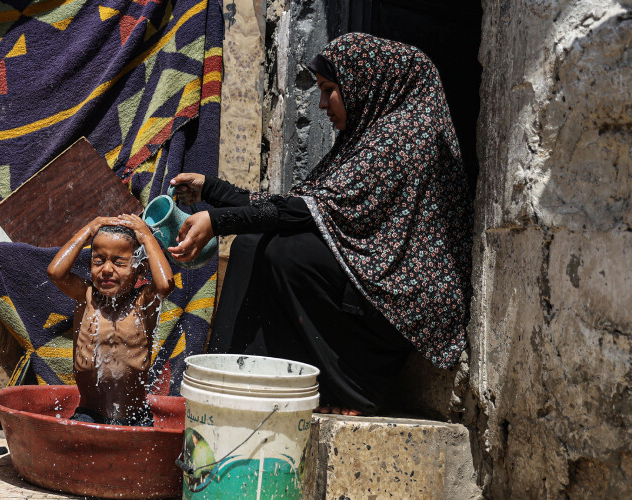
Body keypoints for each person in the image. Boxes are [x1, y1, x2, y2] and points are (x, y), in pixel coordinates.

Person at [167, 33, 473, 416]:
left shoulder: (406, 133)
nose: (323, 103)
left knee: (287, 252)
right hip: (367, 278)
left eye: (331, 90)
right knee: (250, 243)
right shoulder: (365, 135)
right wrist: (211, 190)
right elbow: (296, 205)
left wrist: (217, 220)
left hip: (400, 298)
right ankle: (232, 383)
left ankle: (352, 392)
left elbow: (304, 211)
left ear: (367, 83)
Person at [47, 214, 174, 426]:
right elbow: (55, 272)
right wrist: (88, 230)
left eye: (118, 262)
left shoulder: (144, 303)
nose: (106, 269)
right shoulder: (86, 296)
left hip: (136, 417)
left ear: (139, 268)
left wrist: (146, 236)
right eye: (98, 261)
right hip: (89, 413)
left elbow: (165, 285)